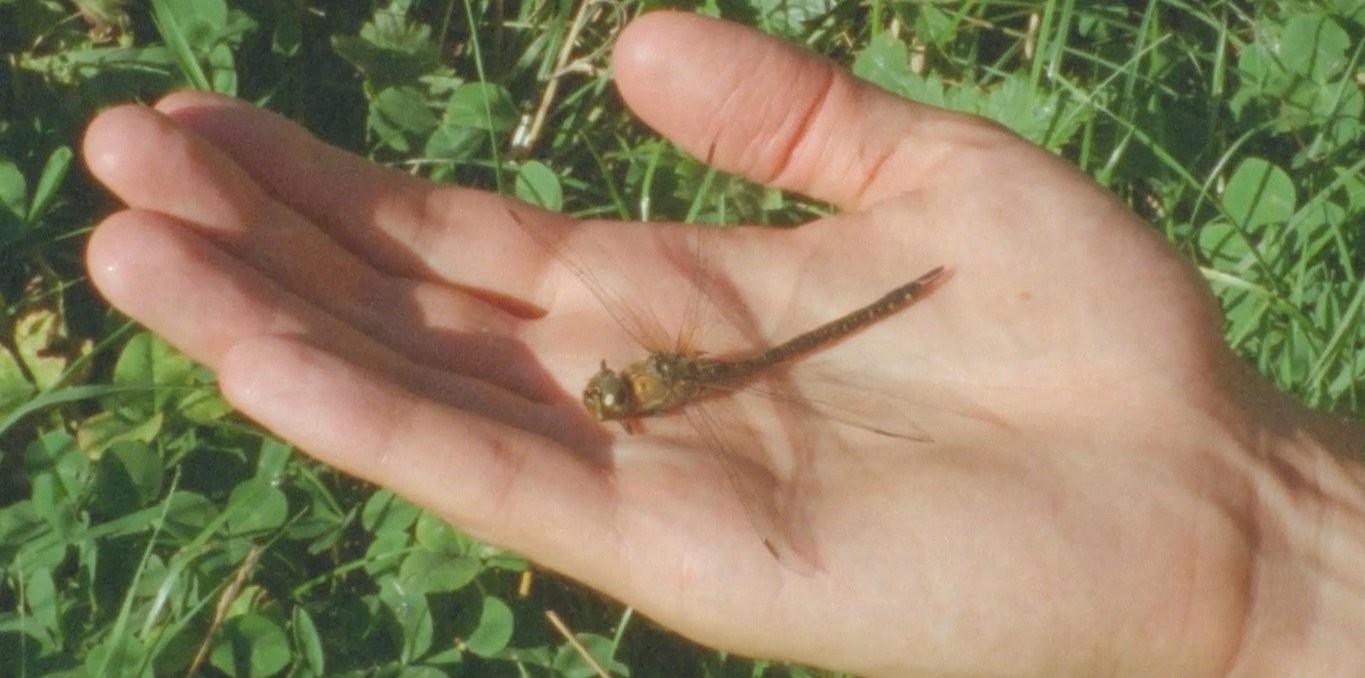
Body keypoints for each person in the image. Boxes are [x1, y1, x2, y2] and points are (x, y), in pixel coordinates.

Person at [82, 11, 1363, 677]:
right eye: (612, 394)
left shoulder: (654, 385)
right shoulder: (649, 380)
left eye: (609, 392)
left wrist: (1277, 546)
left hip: (789, 356)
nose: (605, 391)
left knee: (815, 341)